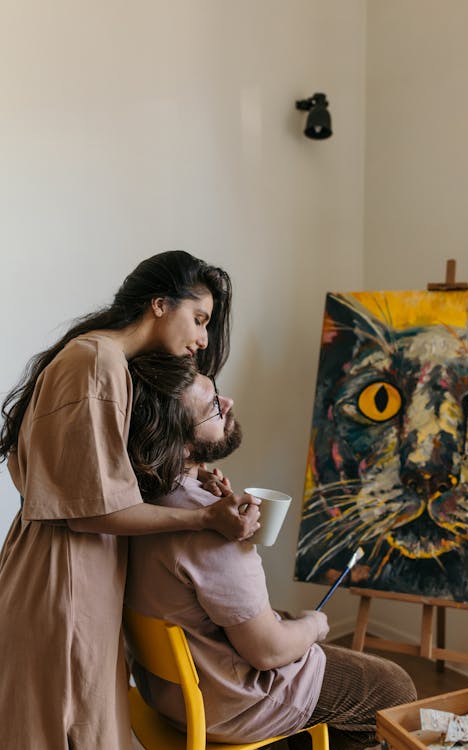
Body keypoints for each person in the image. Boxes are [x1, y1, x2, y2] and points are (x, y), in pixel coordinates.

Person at [0, 251, 260, 750]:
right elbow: (94, 509)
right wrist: (205, 518)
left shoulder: (99, 360)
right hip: (67, 577)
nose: (203, 339)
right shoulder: (97, 361)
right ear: (160, 305)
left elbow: (77, 483)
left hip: (62, 570)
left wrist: (188, 478)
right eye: (199, 319)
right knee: (67, 725)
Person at [125, 354, 417, 750]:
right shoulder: (213, 530)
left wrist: (195, 478)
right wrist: (315, 625)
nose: (227, 403)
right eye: (212, 406)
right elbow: (268, 650)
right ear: (182, 439)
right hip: (232, 704)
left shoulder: (133, 504)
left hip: (167, 699)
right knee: (392, 687)